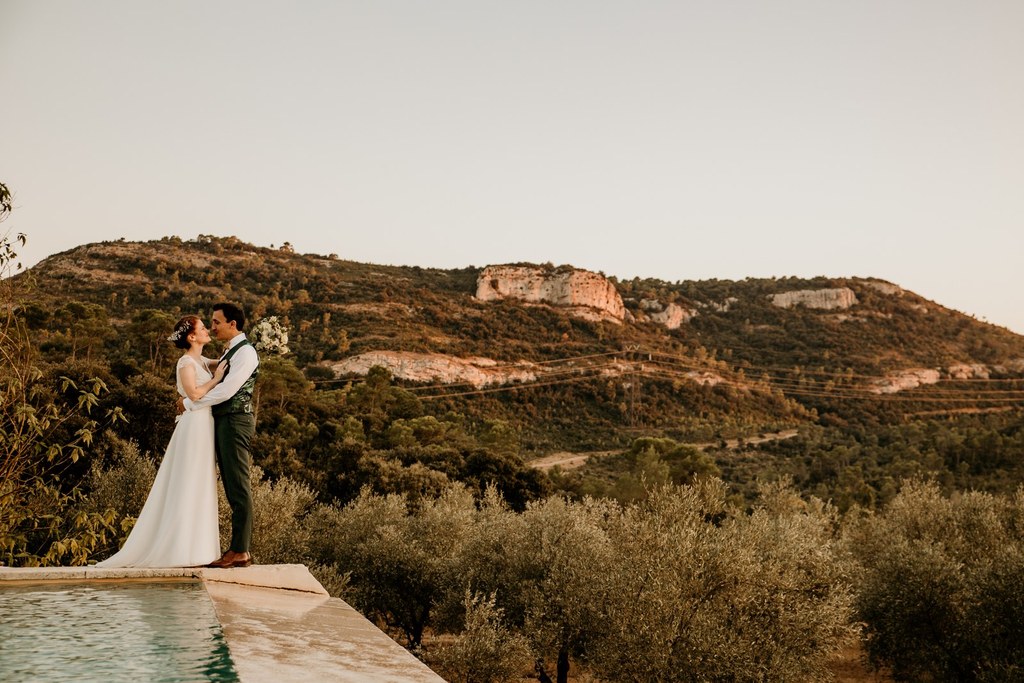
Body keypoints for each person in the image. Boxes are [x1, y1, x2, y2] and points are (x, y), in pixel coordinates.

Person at [96, 316, 225, 567]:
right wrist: (216, 380)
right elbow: (194, 393)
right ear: (192, 337)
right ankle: (180, 550)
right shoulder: (186, 362)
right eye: (203, 328)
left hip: (204, 425)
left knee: (200, 481)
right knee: (188, 481)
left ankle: (198, 549)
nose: (208, 330)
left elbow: (223, 362)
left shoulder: (201, 360)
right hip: (193, 426)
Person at [180, 302, 260, 569]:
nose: (212, 326)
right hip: (224, 420)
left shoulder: (245, 353)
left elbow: (228, 391)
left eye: (215, 322)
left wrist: (191, 405)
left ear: (232, 324)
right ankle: (237, 549)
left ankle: (240, 550)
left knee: (238, 485)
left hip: (236, 420)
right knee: (230, 483)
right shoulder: (231, 350)